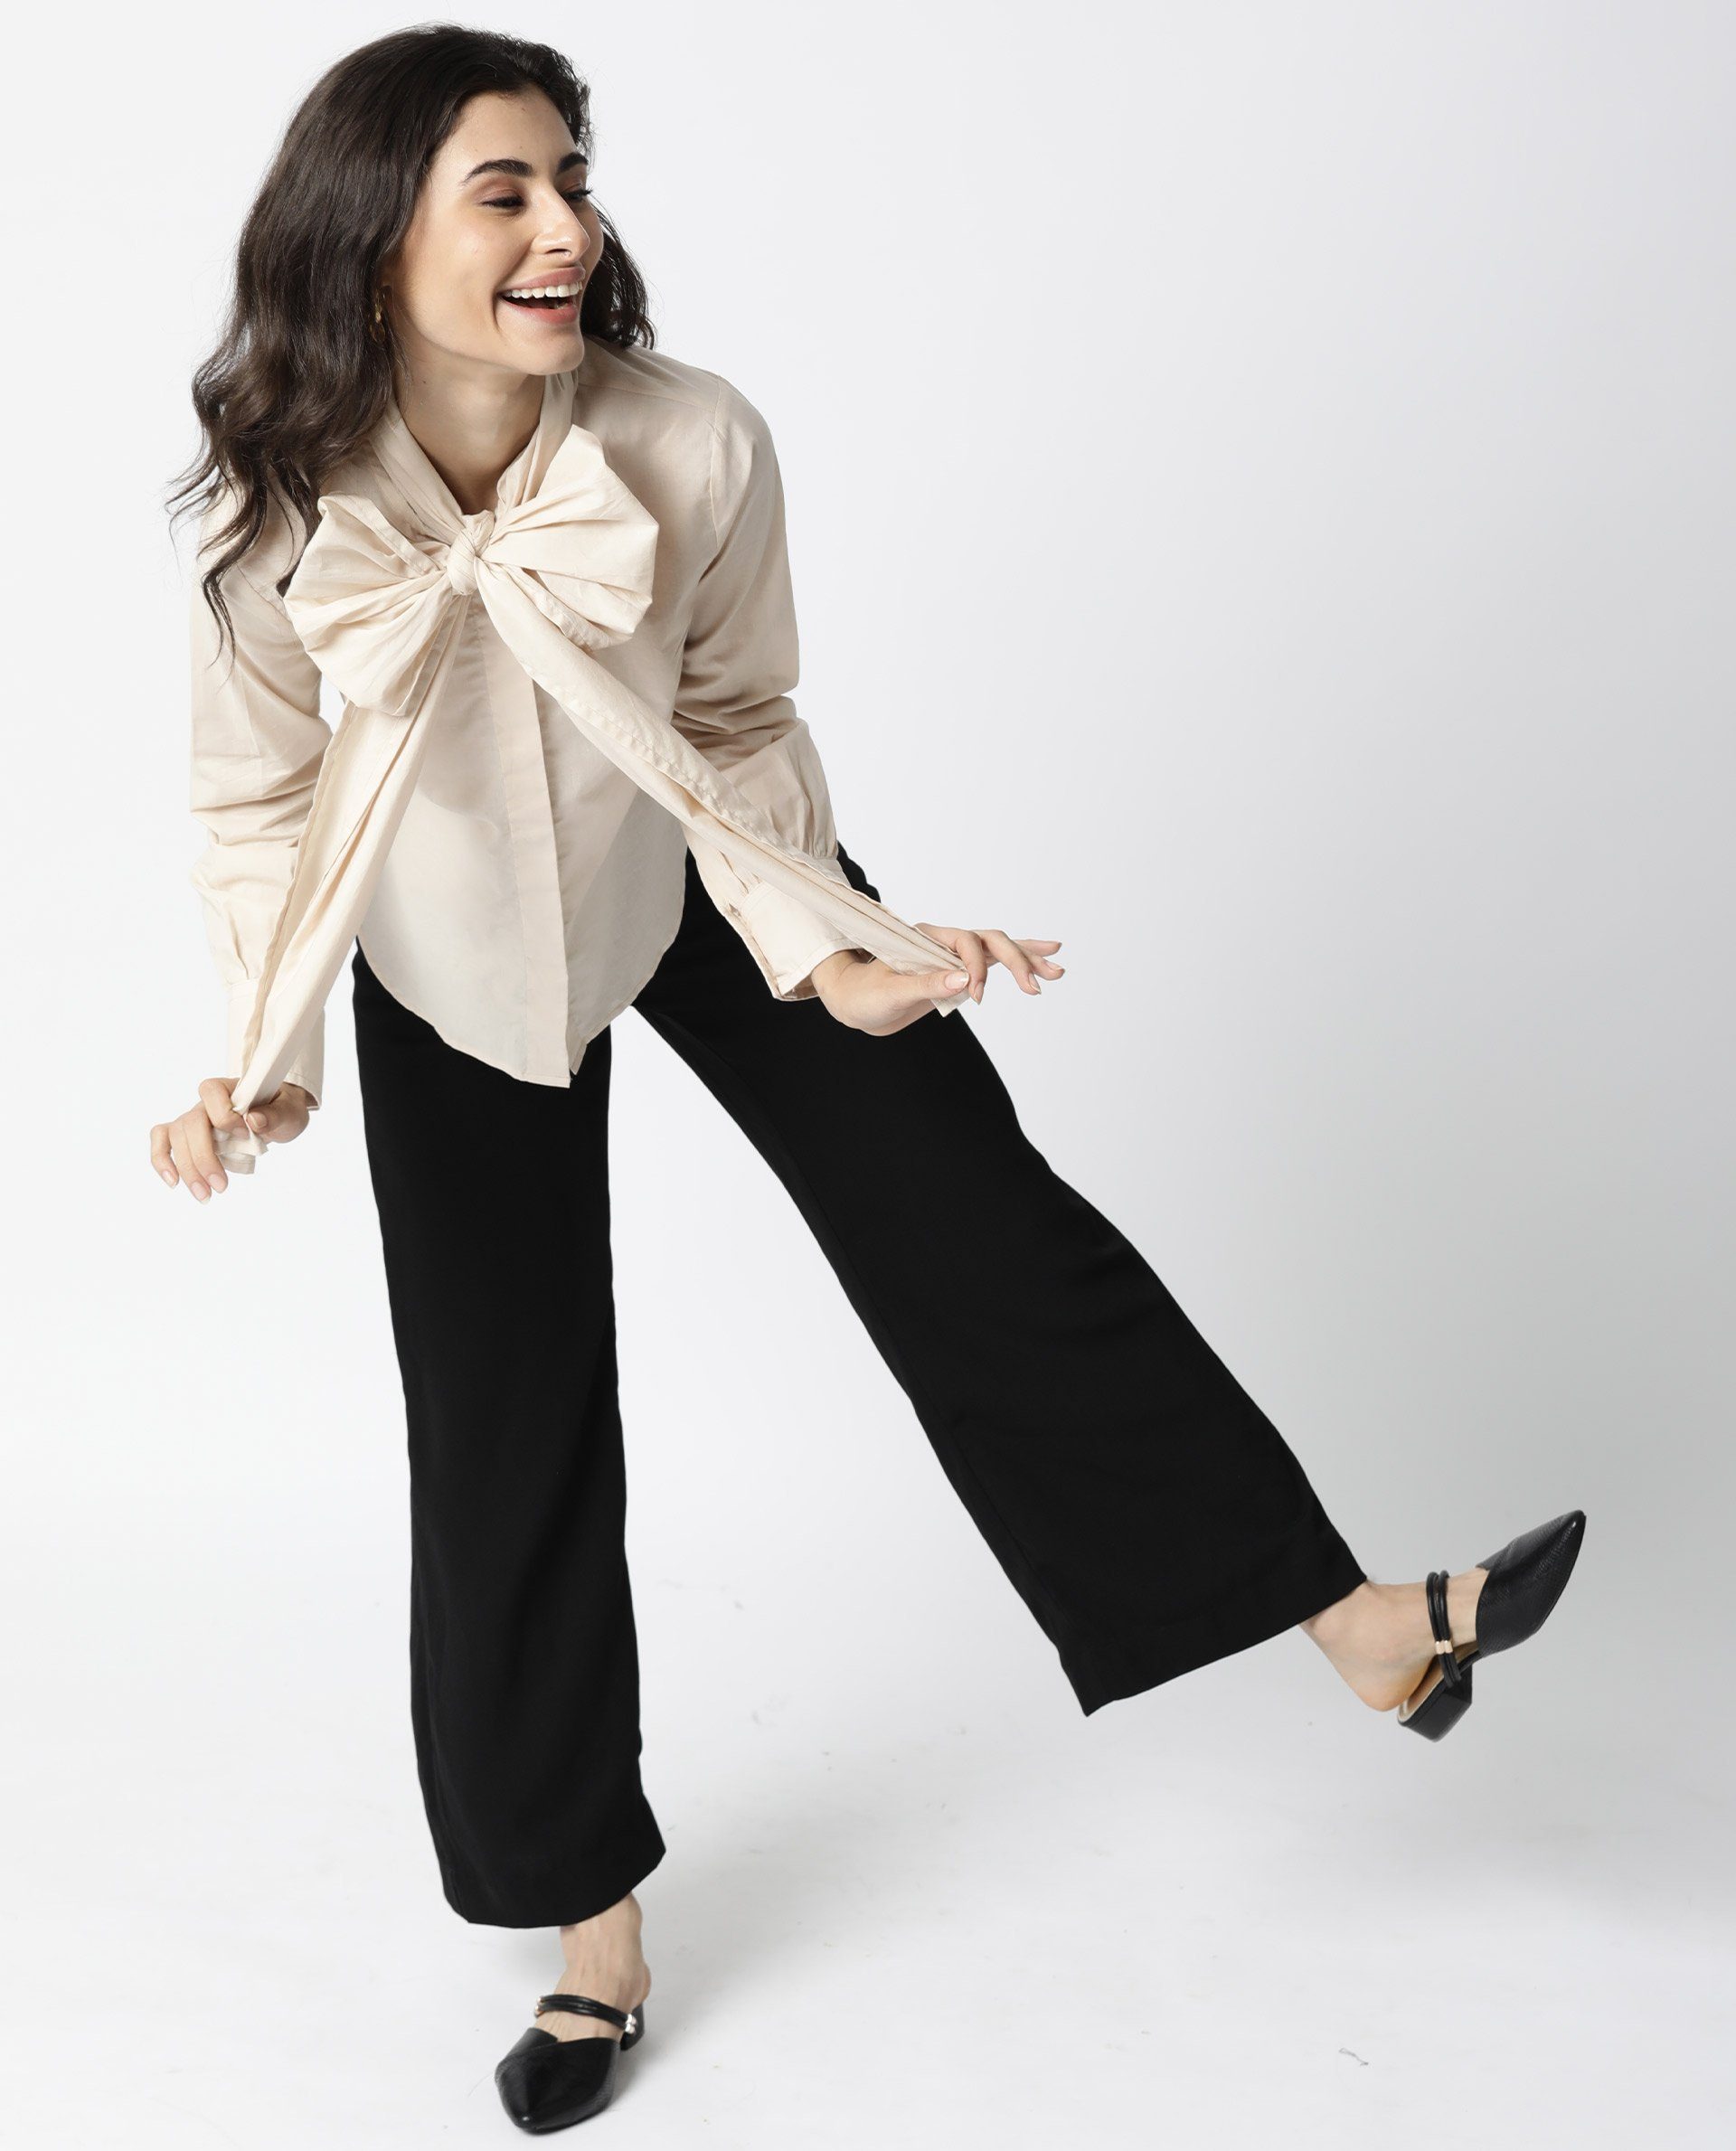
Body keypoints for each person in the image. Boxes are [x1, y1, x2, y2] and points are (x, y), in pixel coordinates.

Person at [148, 26, 1586, 2137]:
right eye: (506, 191)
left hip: (704, 872)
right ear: (370, 239)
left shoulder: (693, 439)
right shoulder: (280, 520)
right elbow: (256, 809)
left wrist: (827, 946)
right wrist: (251, 1056)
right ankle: (592, 1940)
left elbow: (735, 724)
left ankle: (1368, 1626)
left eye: (575, 180)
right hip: (447, 965)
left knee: (984, 1229)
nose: (567, 228)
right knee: (506, 1425)